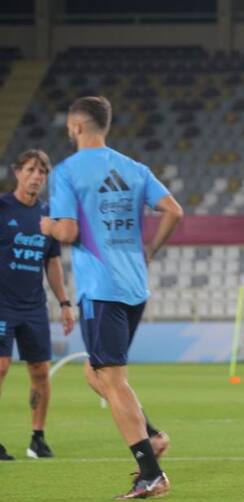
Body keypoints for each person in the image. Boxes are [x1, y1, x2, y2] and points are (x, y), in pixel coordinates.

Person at [41, 96, 183, 499]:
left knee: (112, 379)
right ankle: (151, 436)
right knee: (95, 372)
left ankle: (151, 473)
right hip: (134, 287)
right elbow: (174, 210)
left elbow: (67, 232)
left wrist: (47, 224)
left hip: (101, 288)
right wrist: (151, 250)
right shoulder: (135, 168)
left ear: (75, 126)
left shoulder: (68, 171)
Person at [0, 149, 75, 461]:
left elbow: (53, 263)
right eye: (30, 169)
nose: (36, 176)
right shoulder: (2, 208)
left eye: (41, 172)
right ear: (17, 172)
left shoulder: (49, 216)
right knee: (0, 367)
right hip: (2, 304)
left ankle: (38, 438)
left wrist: (65, 302)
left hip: (34, 308)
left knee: (41, 372)